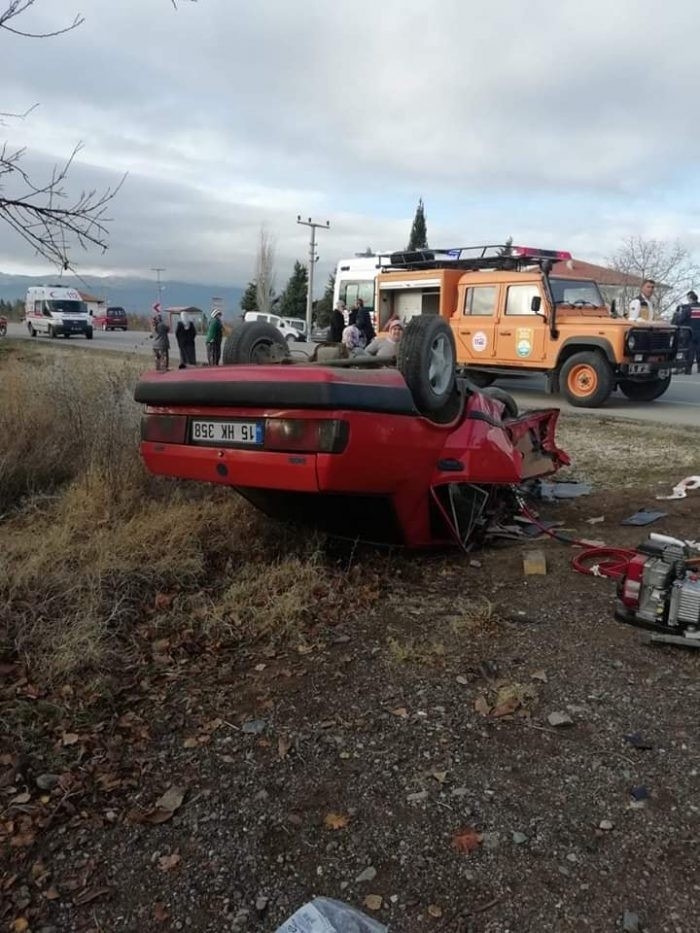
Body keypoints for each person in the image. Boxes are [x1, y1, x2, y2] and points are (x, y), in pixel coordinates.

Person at [673, 290, 700, 373]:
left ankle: (688, 369)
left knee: (689, 351)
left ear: (690, 298)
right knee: (699, 350)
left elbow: (679, 321)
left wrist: (676, 314)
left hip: (690, 333)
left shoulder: (688, 309)